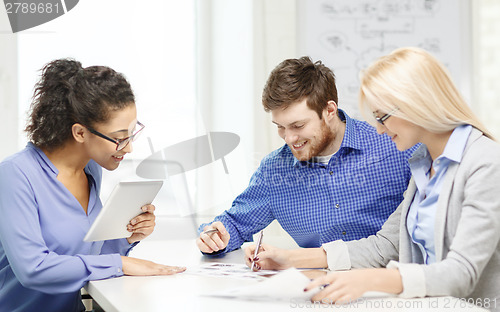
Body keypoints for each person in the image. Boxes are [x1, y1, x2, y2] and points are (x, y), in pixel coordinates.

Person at [245, 47, 500, 311]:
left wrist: (369, 280)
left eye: (383, 117)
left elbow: (461, 272)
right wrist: (290, 259)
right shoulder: (425, 164)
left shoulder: (485, 163)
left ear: (418, 104)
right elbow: (385, 246)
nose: (378, 129)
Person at [0, 59, 185, 312]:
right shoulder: (15, 175)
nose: (128, 147)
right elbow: (33, 270)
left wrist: (127, 238)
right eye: (119, 138)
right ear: (80, 133)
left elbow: (87, 255)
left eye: (131, 134)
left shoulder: (91, 169)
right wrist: (121, 263)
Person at [197, 56, 415, 256]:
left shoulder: (395, 145)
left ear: (329, 111)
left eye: (298, 125)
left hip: (393, 285)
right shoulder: (275, 170)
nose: (289, 138)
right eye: (280, 127)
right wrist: (215, 237)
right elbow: (234, 224)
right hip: (318, 288)